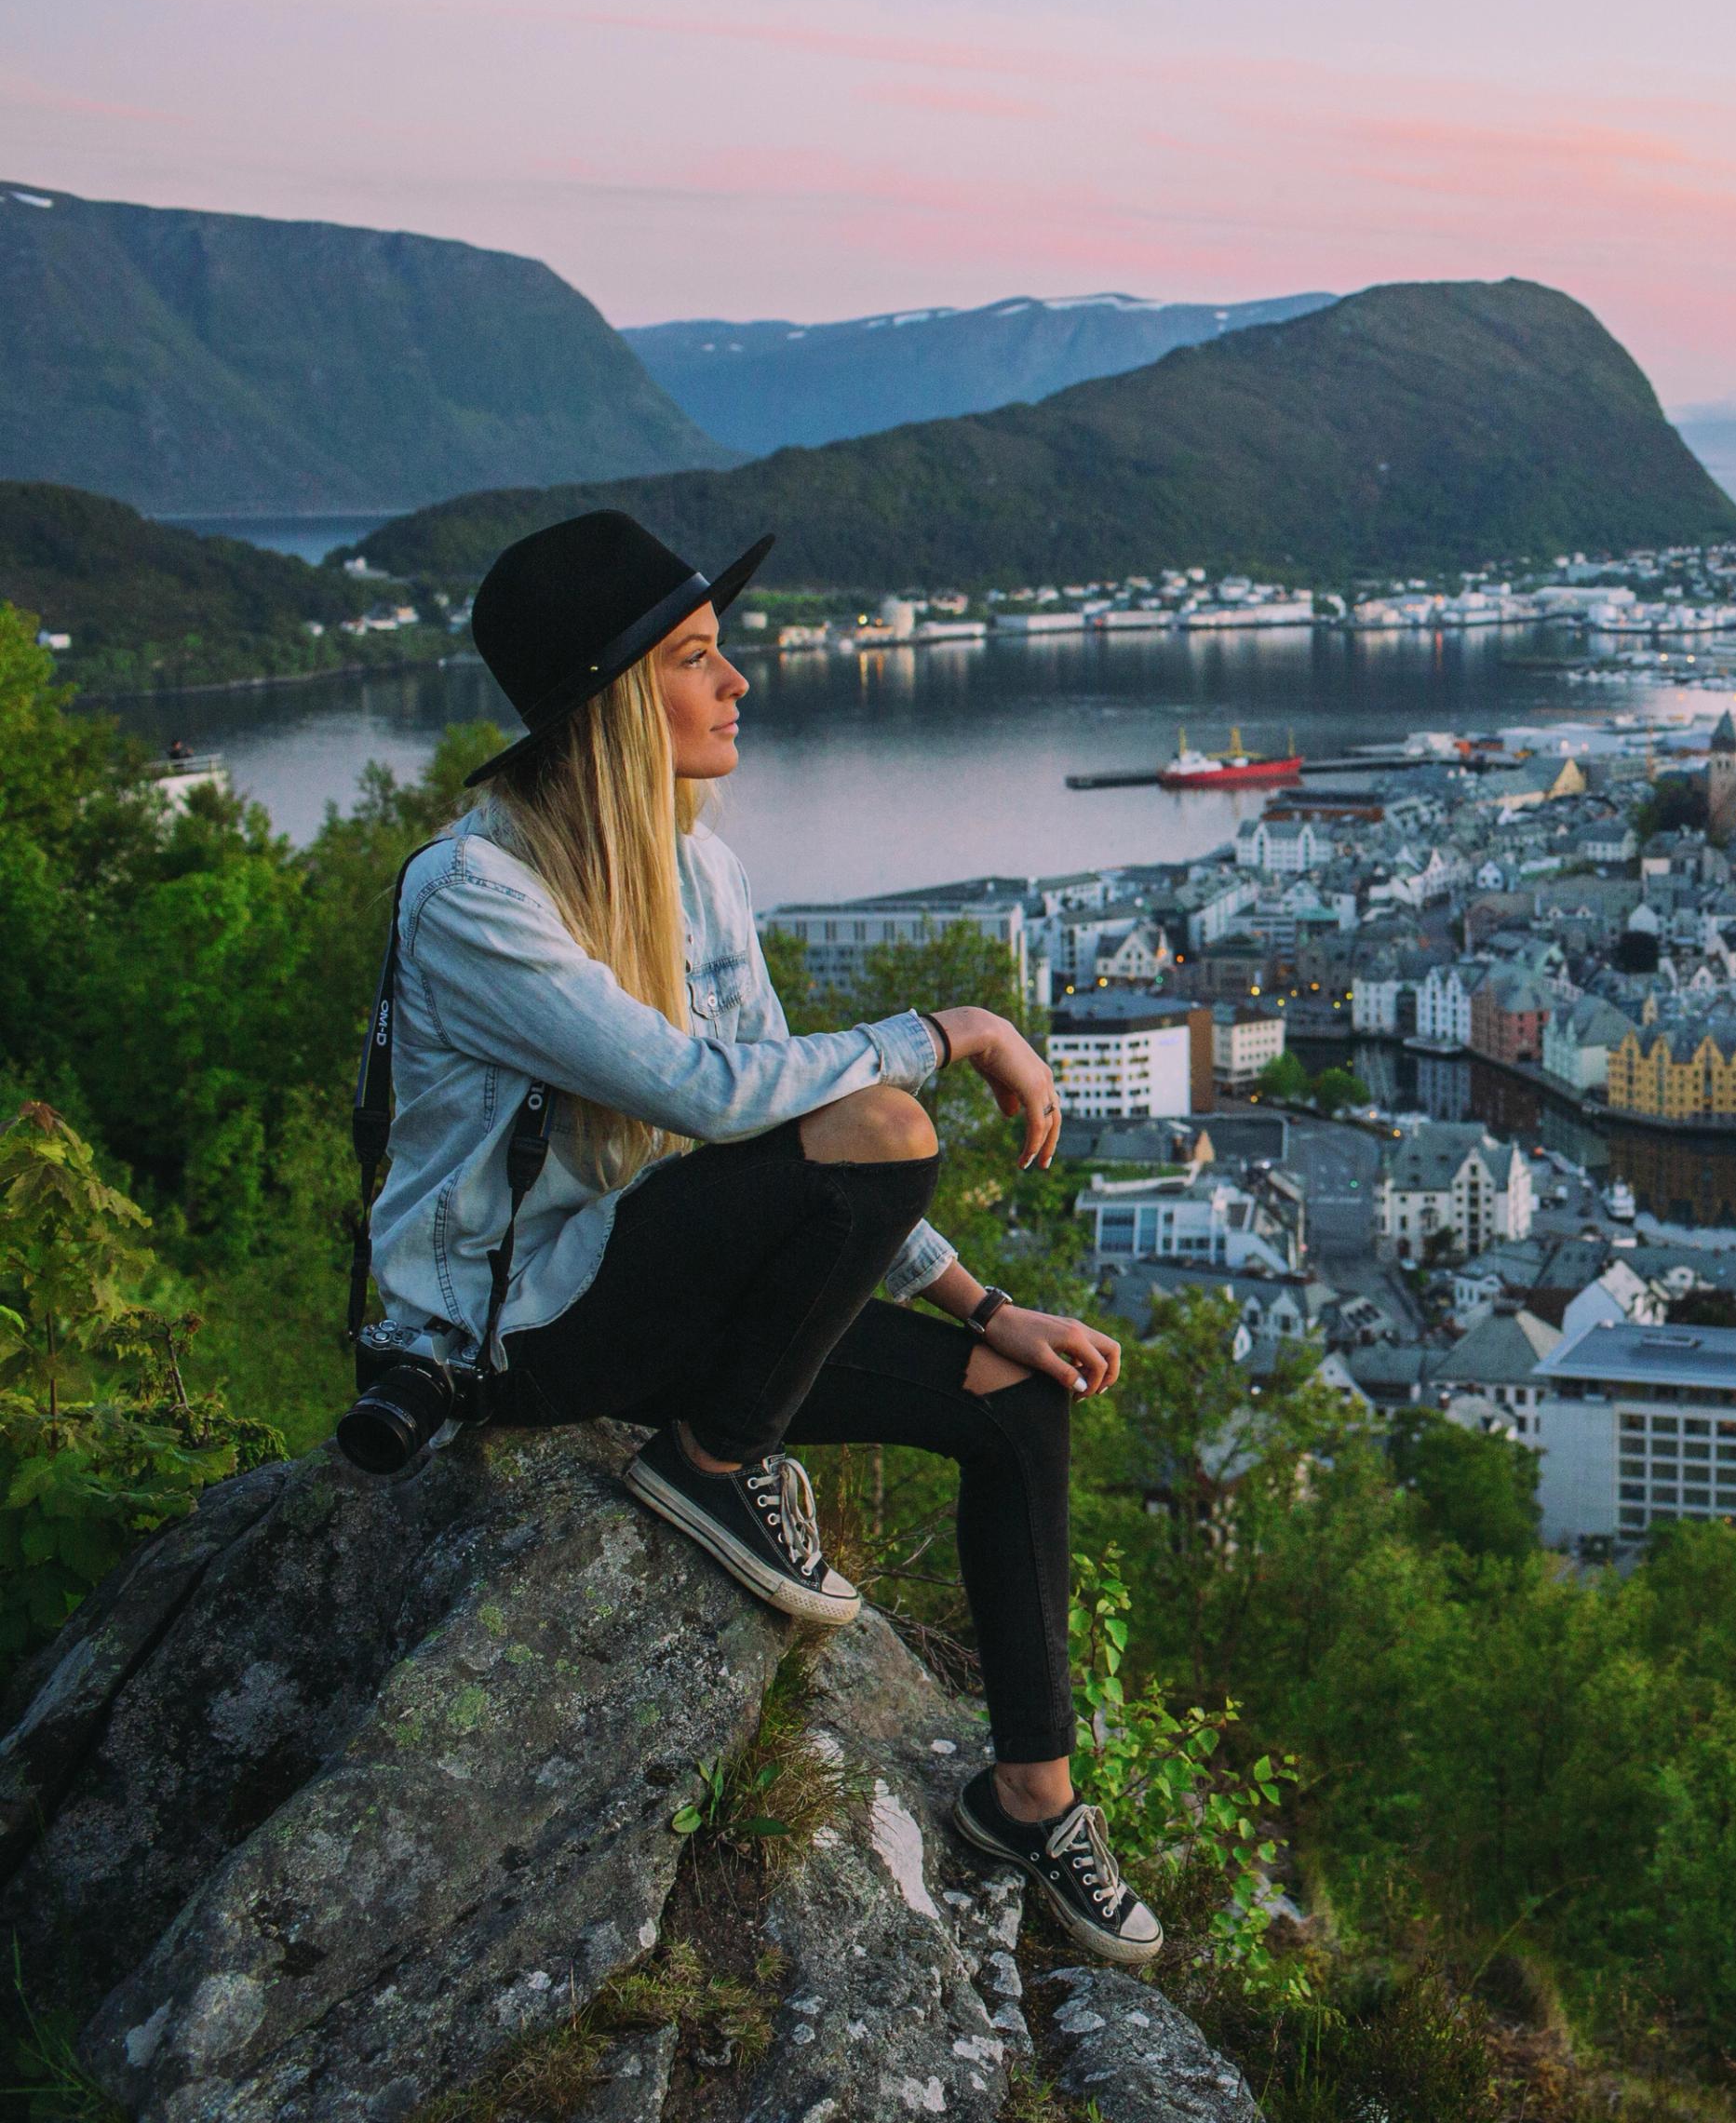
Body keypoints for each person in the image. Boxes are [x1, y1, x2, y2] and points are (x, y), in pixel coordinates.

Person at [358, 510, 1160, 1965]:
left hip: (660, 1289)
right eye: (697, 658)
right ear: (613, 701)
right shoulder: (479, 895)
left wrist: (986, 1311)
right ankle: (715, 1466)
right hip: (521, 1331)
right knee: (893, 1119)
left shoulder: (696, 869)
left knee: (1021, 1401)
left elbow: (785, 1125)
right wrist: (952, 1028)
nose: (739, 685)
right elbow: (712, 1095)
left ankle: (1027, 1803)